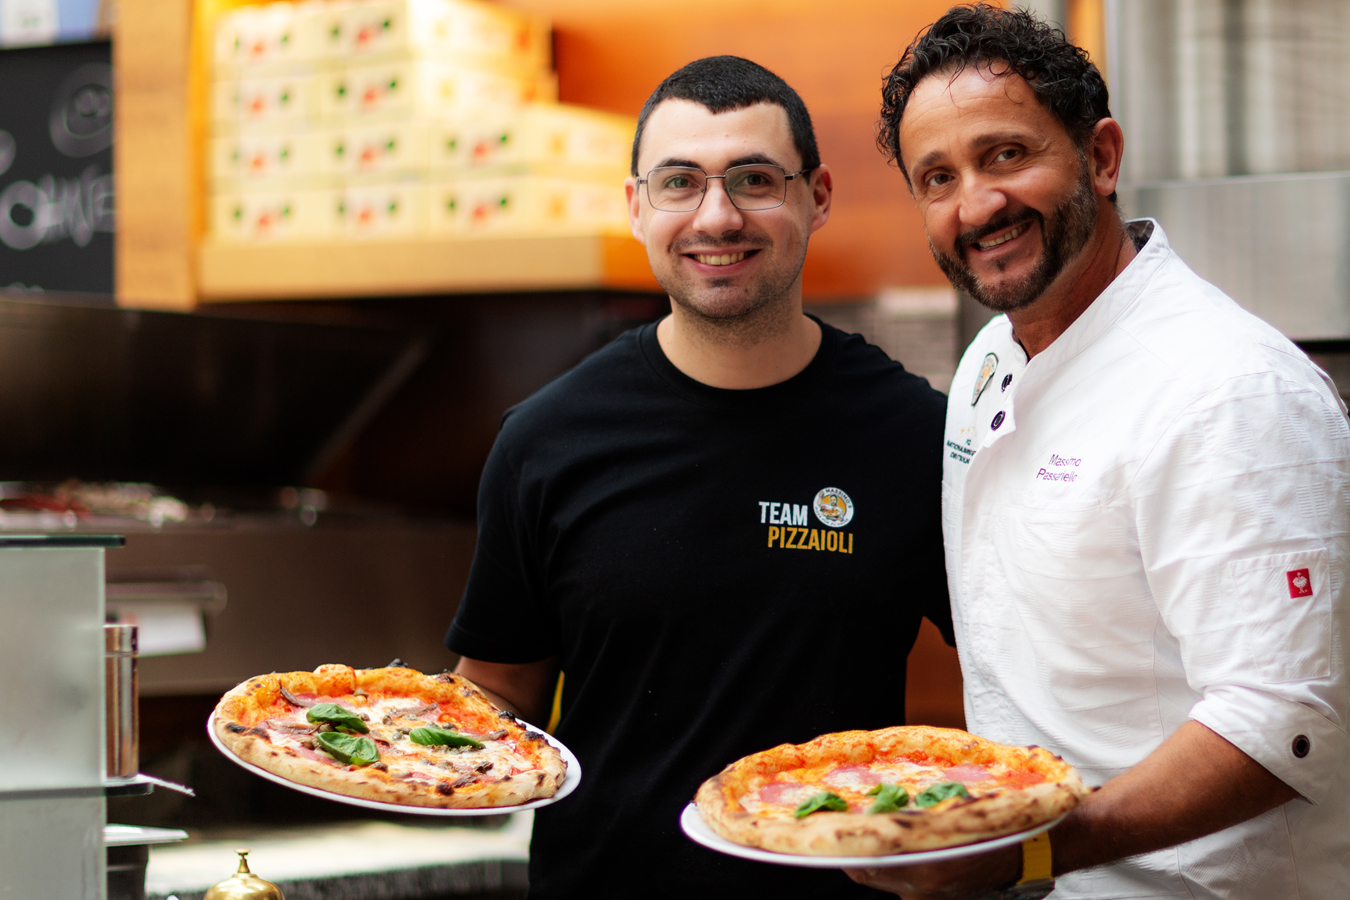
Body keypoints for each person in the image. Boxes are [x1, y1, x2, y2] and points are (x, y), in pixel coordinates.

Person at [848, 6, 1350, 900]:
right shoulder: (988, 361)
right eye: (938, 177)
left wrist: (1027, 849)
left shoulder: (1229, 389)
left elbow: (1285, 721)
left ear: (1102, 157)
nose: (977, 204)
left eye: (1006, 154)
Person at [446, 56, 953, 899]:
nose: (717, 216)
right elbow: (498, 692)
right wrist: (376, 734)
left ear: (817, 196)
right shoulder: (545, 439)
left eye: (755, 179)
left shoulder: (914, 437)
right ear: (637, 206)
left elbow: (1014, 672)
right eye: (680, 182)